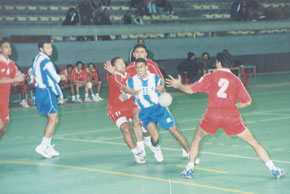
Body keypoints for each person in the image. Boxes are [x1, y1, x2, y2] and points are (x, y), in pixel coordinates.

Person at [166, 51, 287, 179]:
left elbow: (190, 90)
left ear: (218, 62)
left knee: (197, 138)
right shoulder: (236, 80)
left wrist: (179, 85)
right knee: (254, 142)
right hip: (232, 117)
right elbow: (247, 102)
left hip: (212, 116)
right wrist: (234, 106)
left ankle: (189, 169)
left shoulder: (210, 76)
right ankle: (274, 169)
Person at [120, 58, 190, 162]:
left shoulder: (155, 78)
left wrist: (163, 93)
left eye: (141, 67)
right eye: (137, 67)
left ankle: (189, 153)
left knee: (175, 131)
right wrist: (121, 94)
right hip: (145, 112)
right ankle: (156, 148)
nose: (139, 69)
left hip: (159, 109)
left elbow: (162, 91)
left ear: (146, 67)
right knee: (155, 137)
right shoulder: (131, 81)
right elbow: (123, 97)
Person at [106, 57, 147, 164]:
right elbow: (125, 89)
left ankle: (141, 146)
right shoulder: (113, 77)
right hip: (116, 108)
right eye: (118, 63)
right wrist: (135, 92)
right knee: (126, 129)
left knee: (139, 118)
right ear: (114, 67)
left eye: (123, 63)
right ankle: (136, 153)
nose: (122, 65)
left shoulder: (129, 76)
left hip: (129, 106)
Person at [32, 40, 66, 158]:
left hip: (41, 91)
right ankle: (42, 146)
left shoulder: (37, 58)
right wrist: (61, 76)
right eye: (47, 48)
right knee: (53, 120)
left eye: (50, 48)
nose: (50, 50)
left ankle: (47, 146)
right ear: (41, 49)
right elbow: (56, 78)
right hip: (47, 92)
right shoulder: (46, 61)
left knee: (53, 120)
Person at [0, 38, 25, 138]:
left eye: (10, 47)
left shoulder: (12, 64)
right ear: (0, 49)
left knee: (3, 128)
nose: (9, 49)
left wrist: (17, 80)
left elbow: (14, 79)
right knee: (0, 126)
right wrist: (12, 80)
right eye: (6, 47)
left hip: (5, 100)